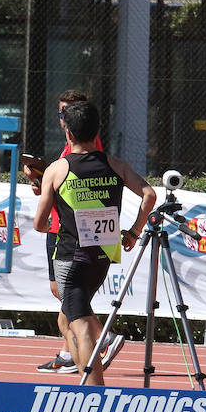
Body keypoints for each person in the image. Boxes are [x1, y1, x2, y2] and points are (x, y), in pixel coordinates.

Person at [33, 100, 156, 386]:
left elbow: (40, 224)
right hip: (102, 259)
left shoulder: (57, 169)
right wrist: (134, 232)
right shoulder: (116, 165)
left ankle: (94, 393)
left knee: (82, 326)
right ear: (97, 131)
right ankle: (85, 377)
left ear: (69, 134)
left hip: (70, 260)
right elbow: (149, 195)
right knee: (66, 320)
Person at [28, 89, 125, 374]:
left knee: (71, 310)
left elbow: (68, 189)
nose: (63, 118)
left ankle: (96, 349)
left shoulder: (82, 149)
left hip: (70, 237)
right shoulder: (77, 154)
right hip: (83, 237)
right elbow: (147, 193)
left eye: (67, 113)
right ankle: (74, 354)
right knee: (64, 300)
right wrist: (41, 182)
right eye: (60, 112)